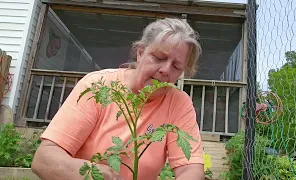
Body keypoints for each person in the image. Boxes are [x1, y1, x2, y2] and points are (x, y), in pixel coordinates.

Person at [31, 18, 205, 180]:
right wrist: (94, 174)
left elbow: (191, 169)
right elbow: (44, 159)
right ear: (140, 53)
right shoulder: (98, 85)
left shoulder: (178, 103)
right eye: (159, 58)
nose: (166, 70)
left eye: (176, 66)